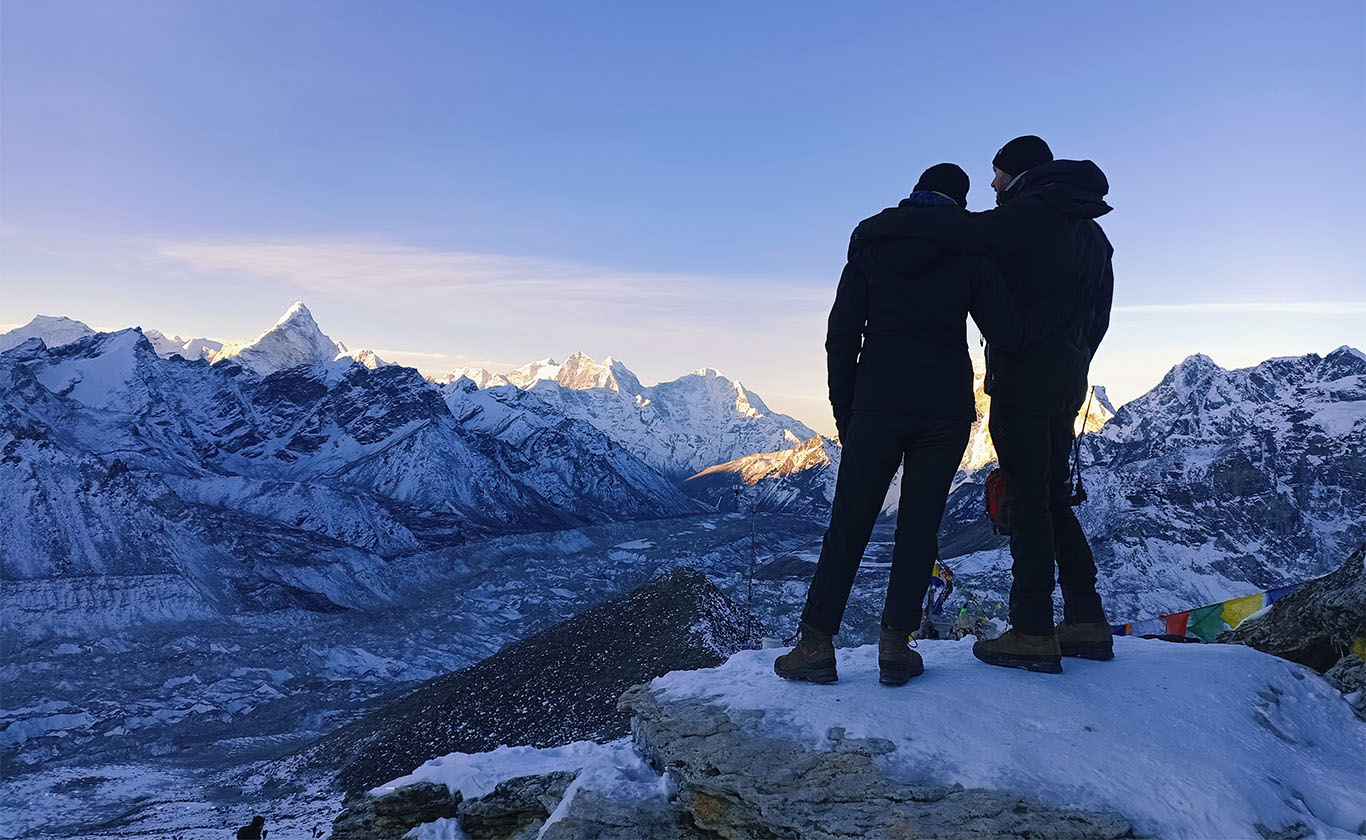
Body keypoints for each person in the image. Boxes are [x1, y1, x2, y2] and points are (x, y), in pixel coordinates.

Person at [774, 163, 1091, 687]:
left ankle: (814, 646)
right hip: (944, 411)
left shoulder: (871, 248)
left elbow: (840, 338)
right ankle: (896, 648)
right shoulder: (970, 254)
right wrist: (1066, 304)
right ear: (961, 204)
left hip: (876, 403)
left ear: (916, 193)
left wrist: (846, 413)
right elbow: (1009, 333)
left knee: (849, 522)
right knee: (919, 527)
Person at [855, 136, 1116, 673]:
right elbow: (1100, 319)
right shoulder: (1094, 236)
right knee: (1054, 496)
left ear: (1016, 173)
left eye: (996, 175)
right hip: (1068, 383)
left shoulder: (1024, 215)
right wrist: (1070, 360)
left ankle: (1032, 630)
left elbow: (956, 231)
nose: (991, 186)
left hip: (1023, 377)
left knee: (1027, 498)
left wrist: (878, 227)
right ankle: (1086, 618)